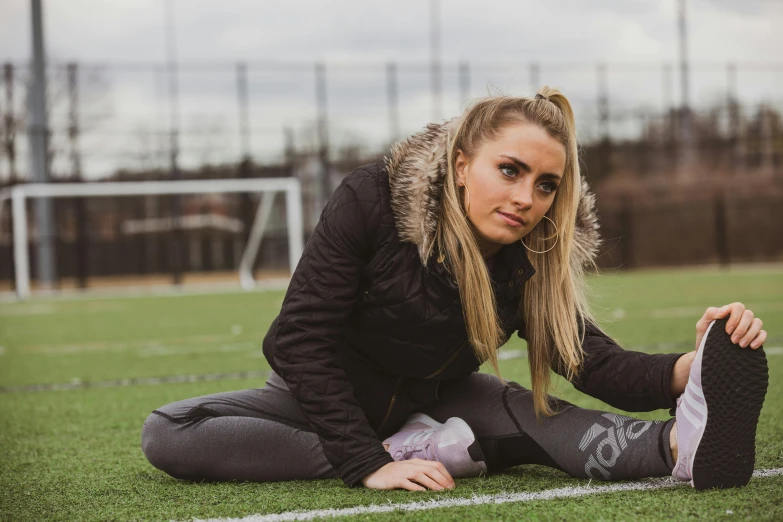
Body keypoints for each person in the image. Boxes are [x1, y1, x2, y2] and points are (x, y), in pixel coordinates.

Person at [140, 88, 769, 492]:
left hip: (442, 397)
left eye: (547, 184)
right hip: (322, 396)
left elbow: (591, 362)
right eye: (510, 170)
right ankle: (398, 446)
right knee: (170, 432)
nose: (527, 198)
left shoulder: (533, 254)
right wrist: (367, 460)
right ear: (462, 165)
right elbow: (301, 338)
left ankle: (682, 444)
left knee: (537, 414)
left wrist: (696, 365)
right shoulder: (373, 200)